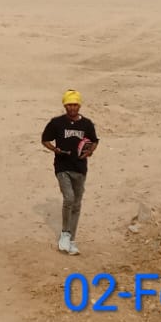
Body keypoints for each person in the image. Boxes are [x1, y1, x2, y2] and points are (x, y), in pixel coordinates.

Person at [41, 90, 99, 255]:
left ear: (79, 105)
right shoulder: (56, 123)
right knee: (69, 198)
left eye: (74, 105)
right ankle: (65, 234)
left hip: (80, 168)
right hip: (62, 167)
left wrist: (90, 151)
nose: (72, 108)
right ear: (65, 105)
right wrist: (55, 149)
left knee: (77, 204)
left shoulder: (87, 124)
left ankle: (71, 239)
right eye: (69, 105)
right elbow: (45, 139)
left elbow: (94, 141)